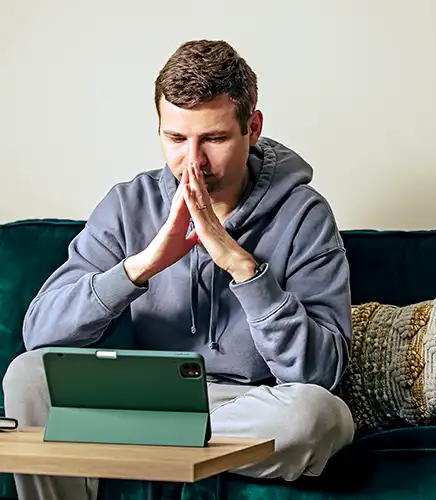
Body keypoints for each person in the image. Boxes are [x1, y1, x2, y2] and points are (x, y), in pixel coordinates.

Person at [2, 39, 355, 500]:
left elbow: (320, 372)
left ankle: (132, 443)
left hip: (244, 404)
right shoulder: (128, 204)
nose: (193, 161)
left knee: (320, 417)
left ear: (252, 128)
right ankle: (164, 442)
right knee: (27, 374)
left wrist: (243, 268)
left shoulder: (304, 215)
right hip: (144, 397)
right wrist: (142, 266)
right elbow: (41, 334)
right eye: (176, 139)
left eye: (214, 139)